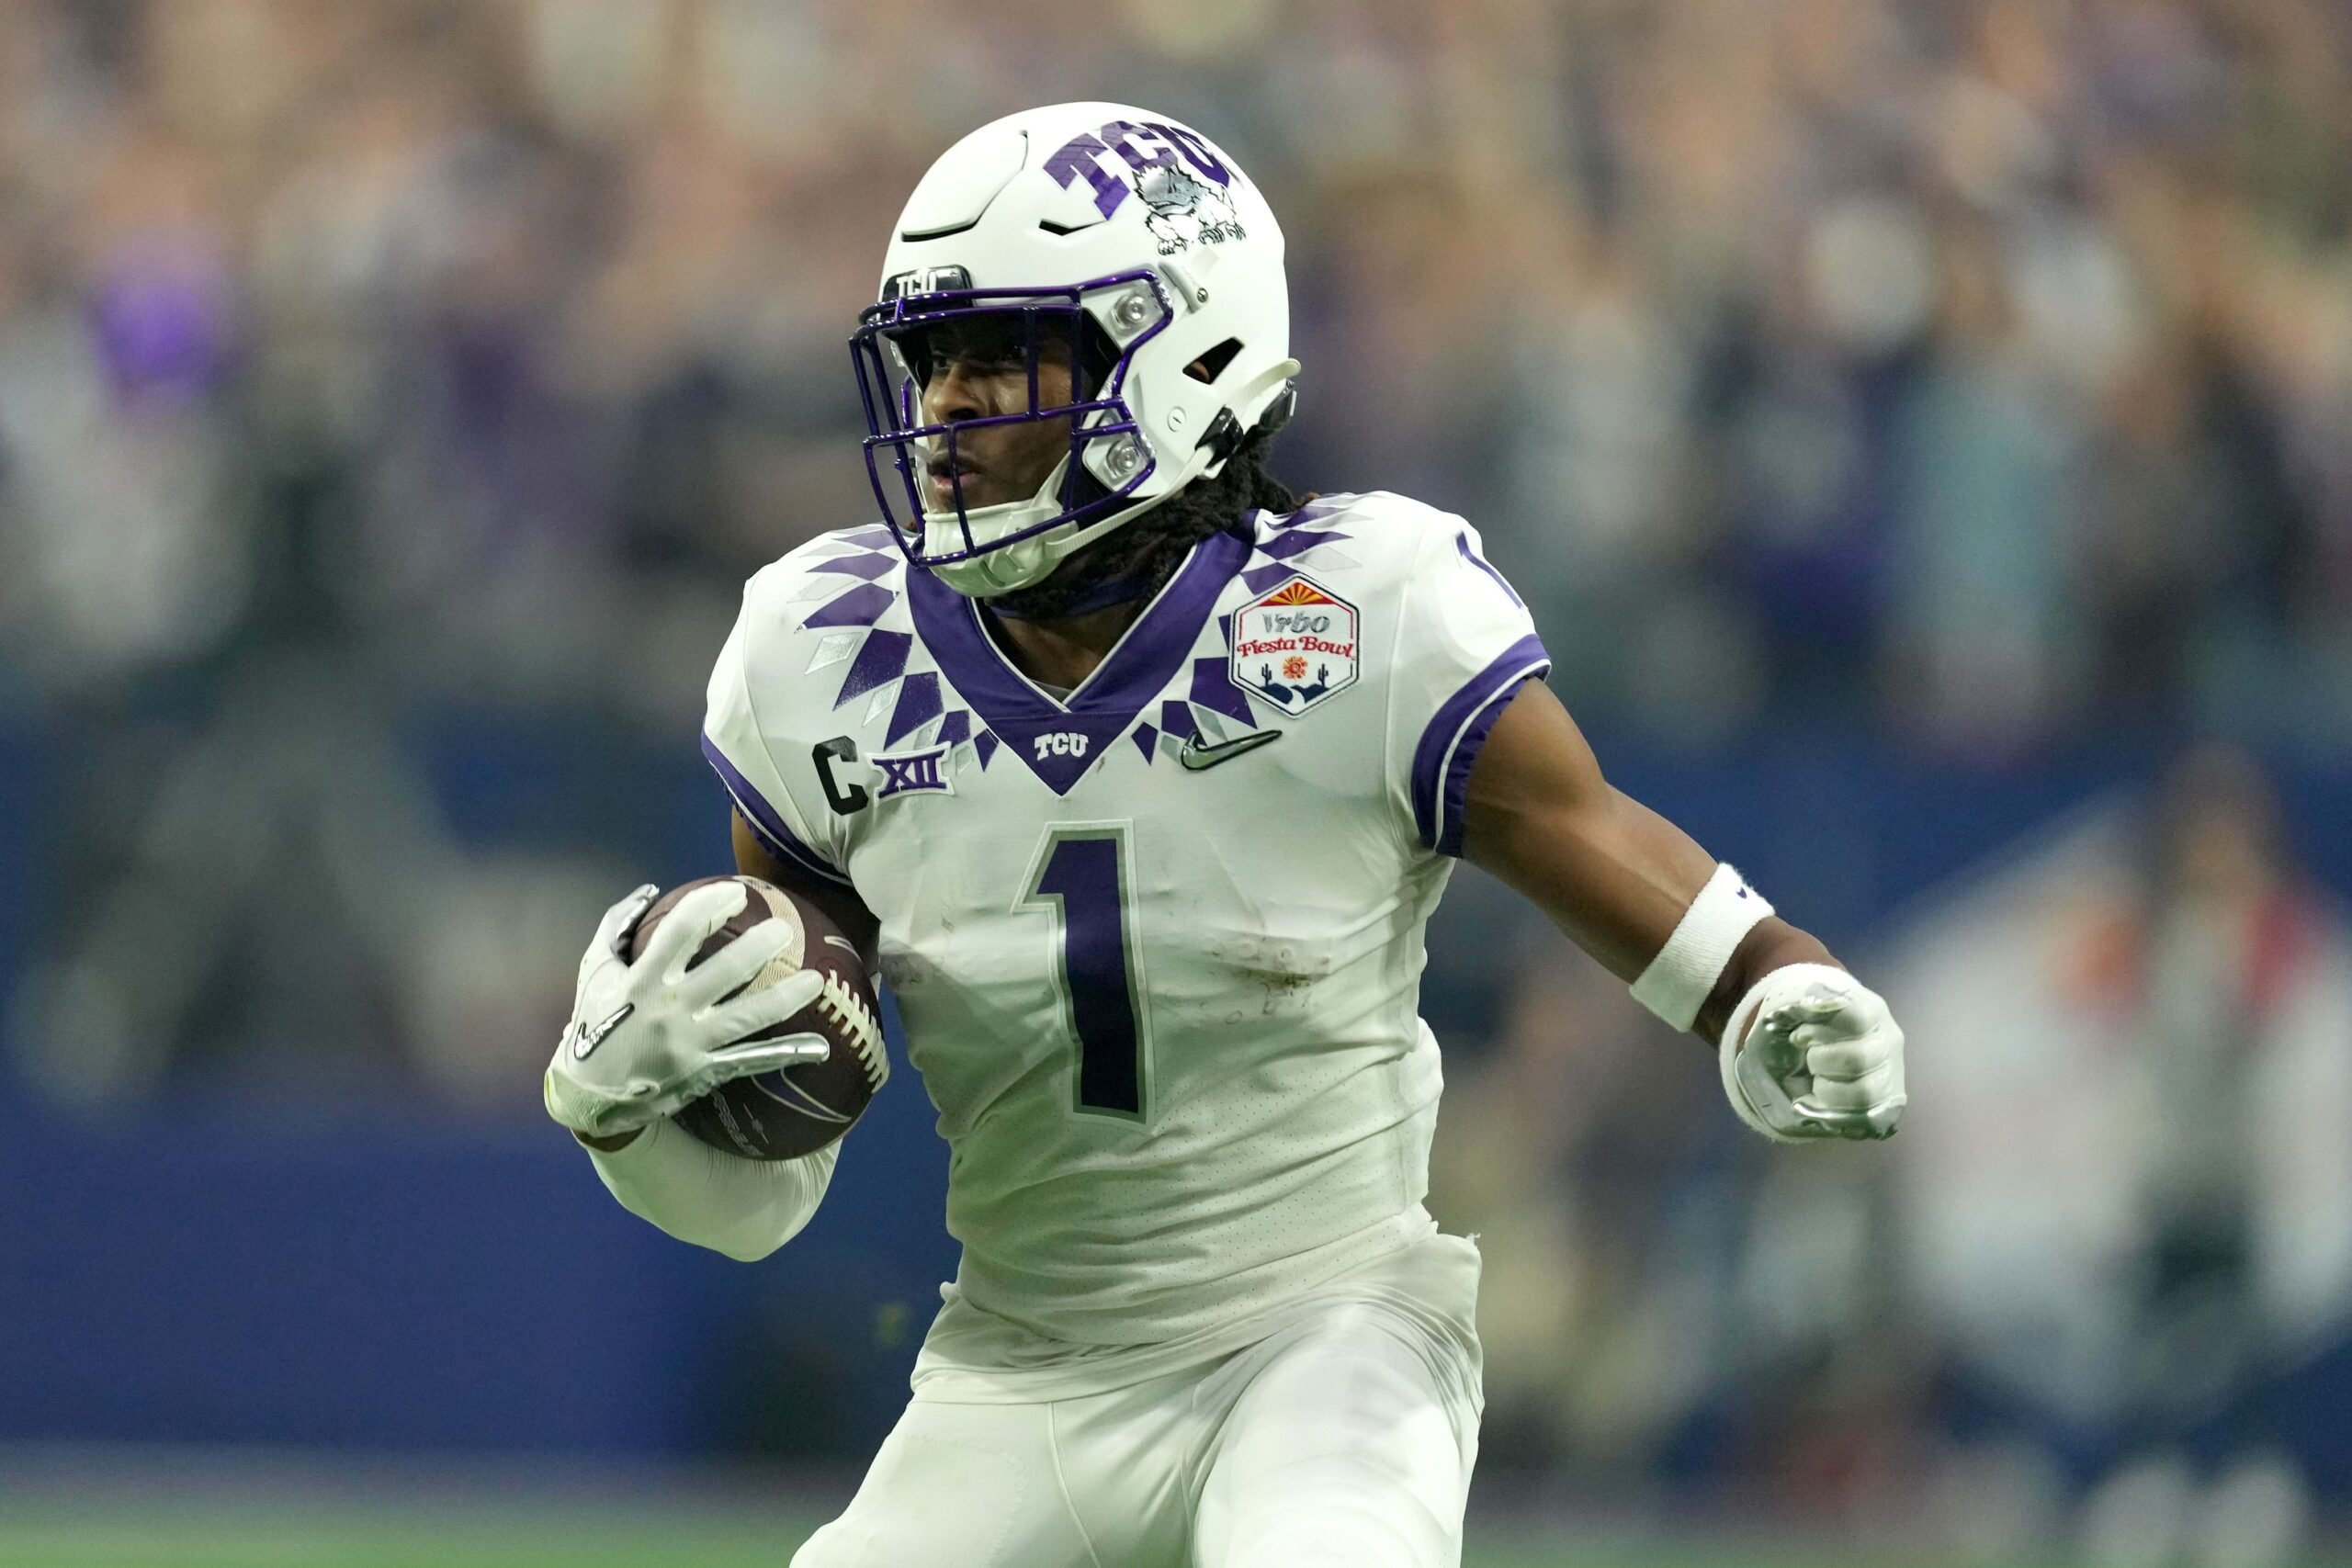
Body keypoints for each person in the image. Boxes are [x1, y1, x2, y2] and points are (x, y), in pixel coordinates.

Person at [541, 103, 1907, 1568]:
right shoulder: (820, 650)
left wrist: (1769, 979)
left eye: (1006, 352)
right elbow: (765, 1198)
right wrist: (620, 1113)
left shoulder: (1359, 611)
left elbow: (1571, 824)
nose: (946, 407)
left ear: (1179, 356)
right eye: (932, 358)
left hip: (1325, 1333)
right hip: (1022, 1368)